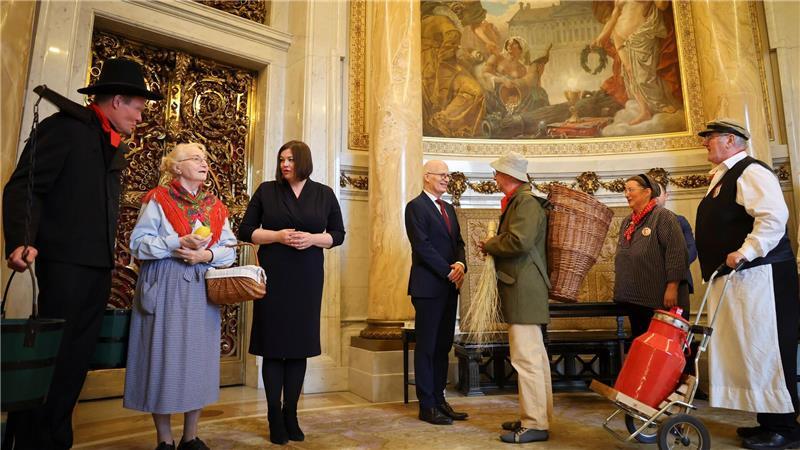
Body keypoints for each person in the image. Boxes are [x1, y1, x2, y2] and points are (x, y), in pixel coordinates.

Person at [2, 58, 163, 450]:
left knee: (76, 361)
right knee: (52, 359)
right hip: (64, 264)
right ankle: (31, 440)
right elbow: (24, 186)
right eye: (138, 108)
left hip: (97, 268)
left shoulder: (110, 142)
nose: (141, 118)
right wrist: (21, 239)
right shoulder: (65, 129)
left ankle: (57, 435)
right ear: (118, 100)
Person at [124, 143, 237, 450]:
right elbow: (138, 244)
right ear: (176, 167)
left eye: (205, 159)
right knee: (162, 359)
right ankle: (164, 439)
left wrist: (207, 255)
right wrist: (177, 242)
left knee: (198, 361)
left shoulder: (215, 206)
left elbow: (230, 250)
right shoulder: (157, 200)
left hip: (201, 287)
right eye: (195, 158)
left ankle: (191, 436)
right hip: (165, 283)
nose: (203, 163)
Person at [694, 119, 799, 450]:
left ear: (730, 140)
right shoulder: (724, 176)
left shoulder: (751, 171)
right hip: (742, 280)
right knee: (752, 347)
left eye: (710, 138)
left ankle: (785, 428)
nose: (705, 143)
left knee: (768, 348)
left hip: (763, 277)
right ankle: (767, 421)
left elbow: (772, 217)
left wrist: (745, 251)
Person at [238, 140, 345, 445]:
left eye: (291, 160)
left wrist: (312, 239)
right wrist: (277, 236)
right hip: (275, 276)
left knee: (299, 347)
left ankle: (291, 414)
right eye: (282, 159)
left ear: (304, 162)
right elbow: (246, 230)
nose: (285, 164)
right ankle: (274, 416)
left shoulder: (323, 193)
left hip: (308, 278)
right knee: (274, 347)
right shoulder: (266, 191)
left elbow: (338, 235)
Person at [478, 152, 552, 444]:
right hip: (522, 287)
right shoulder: (522, 201)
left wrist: (490, 244)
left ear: (509, 176)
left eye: (497, 173)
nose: (494, 178)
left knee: (527, 359)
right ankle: (536, 416)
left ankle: (535, 423)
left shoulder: (526, 202)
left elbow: (519, 240)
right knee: (534, 357)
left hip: (524, 287)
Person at [405, 160, 468, 426]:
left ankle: (441, 401)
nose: (446, 179)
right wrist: (448, 270)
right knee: (427, 347)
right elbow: (422, 246)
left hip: (448, 288)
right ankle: (427, 405)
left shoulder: (450, 209)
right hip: (428, 288)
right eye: (442, 175)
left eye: (448, 175)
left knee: (443, 347)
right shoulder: (415, 207)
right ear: (427, 177)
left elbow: (459, 243)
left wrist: (461, 264)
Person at [614, 174, 689, 338]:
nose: (626, 194)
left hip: (659, 300)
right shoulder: (628, 221)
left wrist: (672, 287)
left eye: (631, 190)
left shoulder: (663, 217)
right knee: (642, 346)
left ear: (647, 192)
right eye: (625, 190)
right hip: (636, 300)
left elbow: (676, 252)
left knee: (662, 349)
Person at [592, 0, 679, 125]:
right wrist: (602, 36)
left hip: (640, 38)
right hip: (621, 39)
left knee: (644, 76)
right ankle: (645, 111)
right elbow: (613, 18)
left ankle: (659, 103)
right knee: (630, 74)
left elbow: (662, 5)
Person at [655, 182, 697, 294]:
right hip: (649, 282)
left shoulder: (679, 221)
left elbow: (691, 251)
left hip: (679, 280)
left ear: (666, 196)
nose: (655, 196)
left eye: (658, 192)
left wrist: (671, 268)